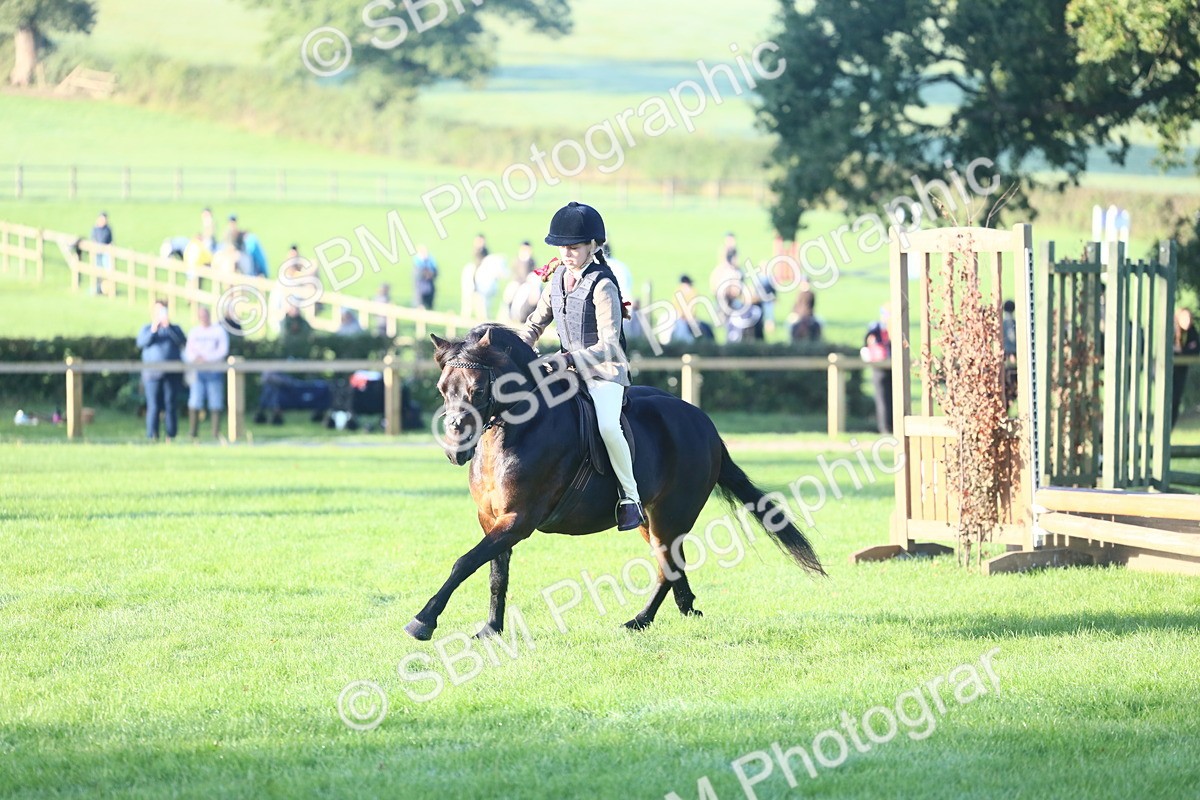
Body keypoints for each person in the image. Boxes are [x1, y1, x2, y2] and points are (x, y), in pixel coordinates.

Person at [520, 201, 645, 531]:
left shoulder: (603, 286)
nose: (566, 253)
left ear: (594, 246)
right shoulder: (557, 278)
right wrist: (517, 350)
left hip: (605, 372)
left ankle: (630, 498)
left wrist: (567, 360)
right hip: (568, 371)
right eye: (562, 247)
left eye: (574, 247)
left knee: (607, 426)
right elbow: (535, 324)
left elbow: (610, 345)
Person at [136, 300, 186, 441]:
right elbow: (141, 343)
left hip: (172, 374)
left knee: (171, 404)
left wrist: (168, 327)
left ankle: (171, 435)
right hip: (152, 375)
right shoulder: (147, 329)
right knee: (153, 406)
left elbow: (182, 342)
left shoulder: (174, 329)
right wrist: (154, 329)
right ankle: (152, 435)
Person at [184, 306, 230, 440]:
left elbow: (222, 350)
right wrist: (196, 359)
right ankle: (193, 432)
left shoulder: (218, 331)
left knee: (215, 401)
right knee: (195, 400)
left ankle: (215, 432)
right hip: (198, 372)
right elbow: (189, 351)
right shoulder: (194, 332)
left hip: (214, 371)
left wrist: (207, 359)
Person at [862, 305, 893, 434]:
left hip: (891, 367)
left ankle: (890, 426)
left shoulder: (889, 329)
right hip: (880, 367)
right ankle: (885, 427)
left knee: (891, 398)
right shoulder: (876, 328)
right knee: (883, 399)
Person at [1173, 308, 1200, 428]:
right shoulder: (1172, 329)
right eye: (1184, 318)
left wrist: (1182, 351)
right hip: (1168, 371)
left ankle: (1170, 427)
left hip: (1181, 370)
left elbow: (1196, 348)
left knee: (1175, 400)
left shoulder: (1192, 332)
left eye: (1189, 318)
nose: (1187, 321)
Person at [91, 211, 113, 294]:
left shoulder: (108, 229)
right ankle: (97, 289)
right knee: (97, 271)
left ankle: (108, 290)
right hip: (97, 253)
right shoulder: (95, 229)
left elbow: (110, 242)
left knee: (108, 271)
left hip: (106, 254)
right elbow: (93, 239)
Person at [413, 245, 438, 310]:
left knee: (429, 307)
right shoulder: (417, 262)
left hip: (430, 289)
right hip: (420, 289)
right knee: (420, 308)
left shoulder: (431, 261)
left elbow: (436, 273)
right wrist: (425, 274)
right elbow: (417, 275)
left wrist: (431, 274)